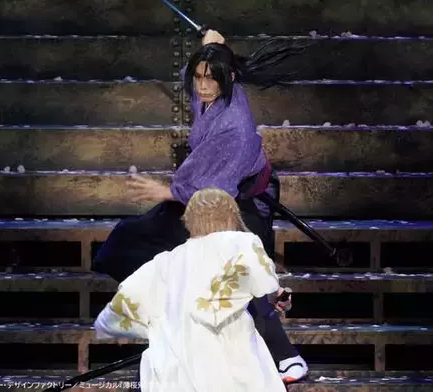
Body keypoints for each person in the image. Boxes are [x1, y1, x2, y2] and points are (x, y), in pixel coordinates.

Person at [92, 29, 309, 382]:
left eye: (211, 78)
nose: (203, 86)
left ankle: (287, 357)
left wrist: (167, 192)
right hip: (208, 193)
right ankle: (180, 311)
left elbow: (215, 190)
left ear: (230, 78)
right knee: (126, 241)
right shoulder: (214, 93)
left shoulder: (234, 127)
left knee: (237, 268)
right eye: (198, 76)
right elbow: (205, 71)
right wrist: (211, 46)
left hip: (240, 200)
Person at [94, 188, 289, 392]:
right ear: (233, 216)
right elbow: (265, 283)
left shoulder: (162, 263)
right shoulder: (241, 244)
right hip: (229, 357)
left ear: (188, 221)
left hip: (177, 366)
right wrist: (276, 295)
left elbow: (116, 312)